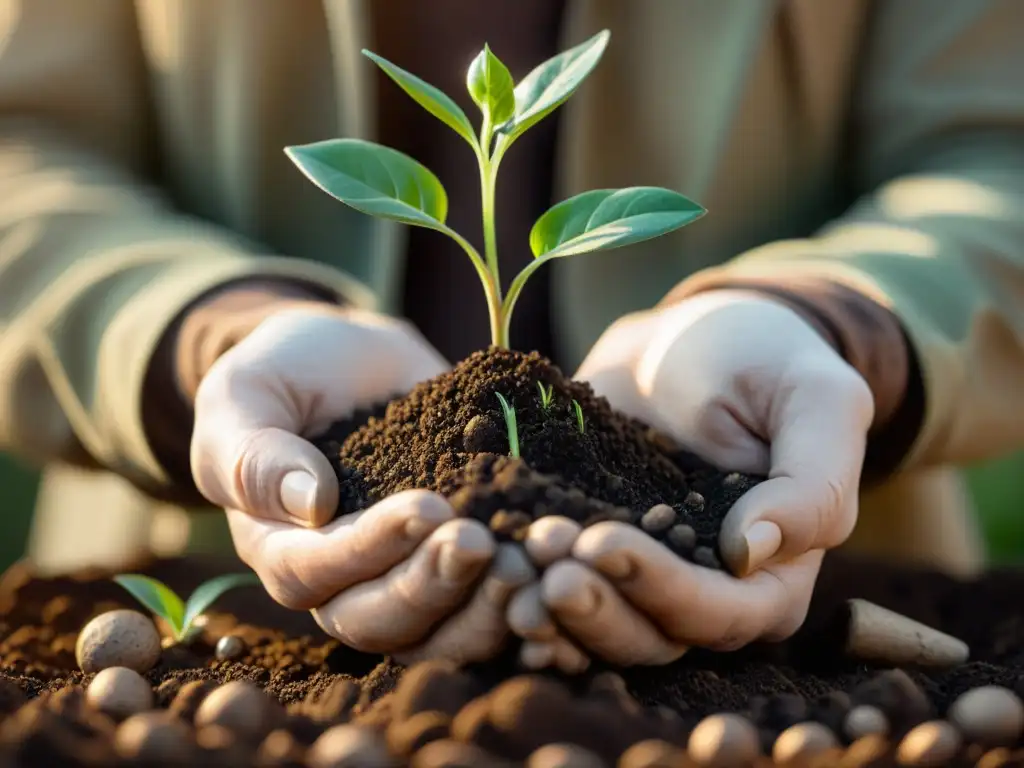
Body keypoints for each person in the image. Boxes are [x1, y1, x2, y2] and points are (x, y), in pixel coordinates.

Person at [2, 0, 1023, 670]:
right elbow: (23, 143)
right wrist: (205, 339)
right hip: (221, 611)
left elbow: (996, 148)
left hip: (802, 614)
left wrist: (838, 322)